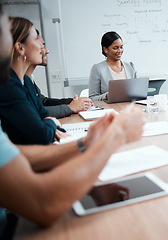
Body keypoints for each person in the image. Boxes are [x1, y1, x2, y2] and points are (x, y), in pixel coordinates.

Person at [0, 6, 144, 239]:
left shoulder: (23, 82)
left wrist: (86, 143)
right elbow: (43, 200)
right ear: (17, 47)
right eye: (38, 39)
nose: (45, 47)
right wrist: (114, 136)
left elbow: (20, 151)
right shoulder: (8, 87)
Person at [0, 17, 64, 145]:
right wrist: (52, 123)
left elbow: (43, 114)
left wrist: (49, 124)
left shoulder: (27, 82)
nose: (42, 46)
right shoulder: (8, 86)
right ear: (20, 47)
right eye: (36, 39)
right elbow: (42, 133)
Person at [25, 30, 92, 119]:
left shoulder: (29, 79)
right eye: (41, 46)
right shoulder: (16, 81)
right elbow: (33, 112)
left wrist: (72, 102)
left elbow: (43, 101)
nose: (47, 51)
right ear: (21, 48)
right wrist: (70, 107)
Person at [89, 31, 137, 101]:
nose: (119, 51)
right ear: (105, 49)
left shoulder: (130, 66)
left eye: (121, 47)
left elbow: (136, 92)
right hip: (110, 109)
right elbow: (92, 98)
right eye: (115, 48)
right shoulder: (97, 69)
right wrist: (107, 95)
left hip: (129, 108)